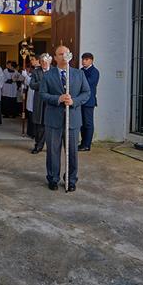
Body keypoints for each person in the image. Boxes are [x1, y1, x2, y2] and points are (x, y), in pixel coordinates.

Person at [39, 46, 90, 191]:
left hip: (72, 120)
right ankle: (53, 178)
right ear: (55, 58)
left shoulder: (79, 74)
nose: (63, 56)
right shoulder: (48, 75)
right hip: (53, 120)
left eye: (66, 53)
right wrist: (58, 98)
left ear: (70, 56)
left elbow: (86, 92)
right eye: (60, 54)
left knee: (72, 151)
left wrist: (74, 101)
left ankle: (71, 179)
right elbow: (42, 94)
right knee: (53, 151)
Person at [29, 53, 51, 154]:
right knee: (39, 125)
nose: (44, 63)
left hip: (51, 101)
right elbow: (32, 85)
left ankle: (51, 146)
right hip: (39, 100)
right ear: (40, 62)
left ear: (50, 62)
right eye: (42, 62)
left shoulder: (55, 71)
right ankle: (38, 145)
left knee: (51, 124)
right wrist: (43, 82)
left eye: (46, 62)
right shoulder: (36, 71)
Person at [78, 52, 100, 151]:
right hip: (80, 100)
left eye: (86, 59)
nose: (83, 61)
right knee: (81, 123)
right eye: (83, 59)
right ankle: (83, 143)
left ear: (91, 60)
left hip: (89, 101)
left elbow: (88, 83)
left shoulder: (95, 71)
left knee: (88, 123)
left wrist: (79, 82)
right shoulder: (81, 70)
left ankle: (87, 145)